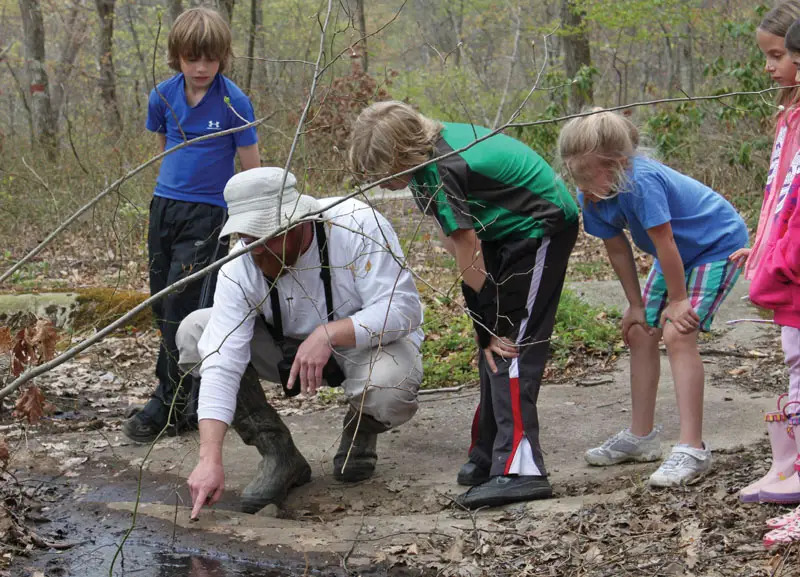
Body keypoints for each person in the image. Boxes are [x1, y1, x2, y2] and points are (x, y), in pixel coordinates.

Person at [348, 101, 580, 509]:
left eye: (385, 170)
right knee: (490, 347)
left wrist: (490, 324)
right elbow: (458, 238)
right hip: (499, 232)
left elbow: (466, 247)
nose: (382, 181)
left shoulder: (443, 168)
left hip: (538, 225)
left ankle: (521, 469)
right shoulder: (425, 165)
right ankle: (490, 451)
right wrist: (483, 324)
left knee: (509, 346)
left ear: (404, 153)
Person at [181, 167, 423, 516]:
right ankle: (280, 454)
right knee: (196, 332)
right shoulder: (240, 264)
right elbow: (222, 361)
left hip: (362, 347)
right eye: (250, 240)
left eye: (267, 239)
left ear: (297, 222)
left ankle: (361, 426)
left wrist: (328, 333)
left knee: (391, 386)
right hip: (283, 352)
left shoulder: (356, 224)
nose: (257, 253)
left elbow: (403, 309)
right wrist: (209, 458)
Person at [558, 110, 748, 487]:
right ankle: (641, 437)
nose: (580, 184)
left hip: (716, 245)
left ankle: (692, 447)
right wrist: (635, 305)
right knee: (641, 331)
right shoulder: (592, 194)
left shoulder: (641, 181)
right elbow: (617, 249)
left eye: (586, 174)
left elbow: (665, 240)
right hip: (675, 253)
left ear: (619, 163)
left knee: (678, 332)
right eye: (574, 175)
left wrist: (678, 301)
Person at [123, 7, 260, 443]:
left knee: (182, 303)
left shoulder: (233, 101)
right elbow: (165, 148)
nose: (201, 68)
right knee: (160, 301)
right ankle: (179, 393)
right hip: (166, 207)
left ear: (223, 57)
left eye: (210, 59)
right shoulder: (162, 95)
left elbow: (250, 167)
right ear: (176, 56)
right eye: (191, 58)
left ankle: (171, 403)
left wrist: (247, 221)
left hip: (209, 213)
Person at [738, 4, 800, 508]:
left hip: (793, 265)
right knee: (792, 357)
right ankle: (788, 462)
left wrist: (782, 255)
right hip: (782, 257)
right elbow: (778, 195)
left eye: (778, 55)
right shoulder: (787, 117)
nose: (770, 67)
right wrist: (760, 247)